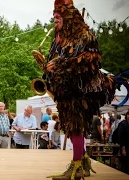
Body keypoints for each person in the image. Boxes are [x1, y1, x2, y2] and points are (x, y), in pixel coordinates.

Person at [44, 0, 116, 179]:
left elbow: (91, 62)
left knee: (76, 126)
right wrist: (49, 67)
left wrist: (61, 64)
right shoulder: (58, 40)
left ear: (68, 17)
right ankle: (83, 161)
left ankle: (76, 166)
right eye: (54, 17)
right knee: (71, 126)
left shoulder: (85, 36)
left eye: (58, 17)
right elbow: (55, 59)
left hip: (80, 91)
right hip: (65, 92)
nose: (55, 20)